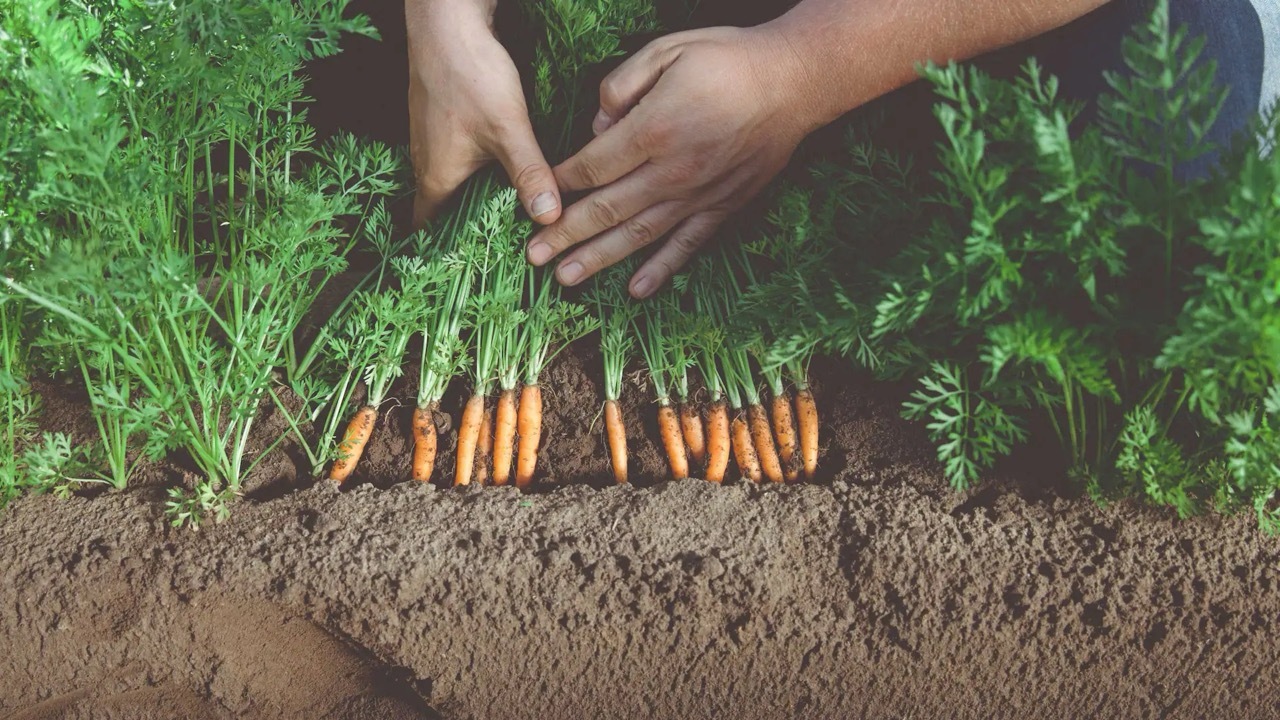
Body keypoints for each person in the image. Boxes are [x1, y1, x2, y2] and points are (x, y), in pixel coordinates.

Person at [406, 0, 1273, 299]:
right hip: (594, 39)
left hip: (898, 34)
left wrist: (803, 69)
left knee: (1184, 54)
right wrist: (442, 29)